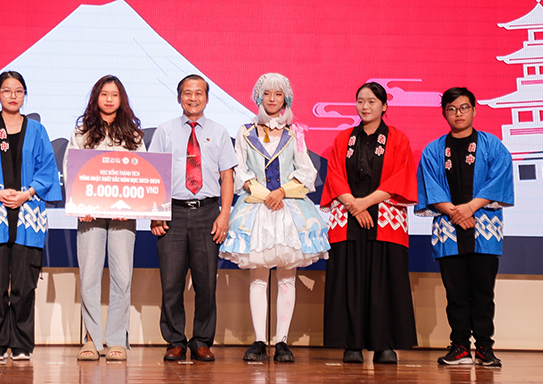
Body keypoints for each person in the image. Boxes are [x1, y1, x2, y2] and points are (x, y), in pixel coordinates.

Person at [219, 73, 329, 362]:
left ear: (286, 98)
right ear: (258, 97)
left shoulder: (295, 133)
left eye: (277, 94)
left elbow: (307, 171)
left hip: (288, 208)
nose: (272, 99)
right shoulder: (244, 132)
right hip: (256, 208)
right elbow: (238, 168)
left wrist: (281, 191)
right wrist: (259, 191)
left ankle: (281, 341)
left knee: (286, 278)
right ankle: (258, 341)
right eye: (267, 93)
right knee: (257, 277)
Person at [0, 71, 62, 360]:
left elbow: (47, 170)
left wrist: (26, 193)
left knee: (24, 285)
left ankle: (20, 345)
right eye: (7, 91)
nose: (13, 96)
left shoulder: (37, 130)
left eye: (18, 91)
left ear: (25, 95)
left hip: (28, 215)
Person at [320, 82, 418, 364]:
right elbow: (335, 174)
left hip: (385, 218)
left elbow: (400, 177)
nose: (365, 106)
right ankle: (351, 343)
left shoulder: (398, 139)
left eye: (372, 101)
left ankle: (384, 344)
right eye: (360, 101)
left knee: (384, 281)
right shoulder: (342, 139)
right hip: (349, 217)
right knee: (349, 280)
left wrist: (365, 203)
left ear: (384, 106)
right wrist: (354, 204)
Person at [415, 87, 513, 367]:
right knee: (455, 293)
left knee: (483, 292)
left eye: (464, 107)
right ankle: (459, 347)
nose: (458, 113)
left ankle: (484, 348)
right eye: (452, 109)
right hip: (448, 229)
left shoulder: (492, 145)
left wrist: (469, 208)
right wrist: (456, 213)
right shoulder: (434, 150)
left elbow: (500, 179)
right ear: (444, 112)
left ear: (474, 109)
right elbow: (430, 187)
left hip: (484, 229)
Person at [149, 74, 238, 362]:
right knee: (171, 282)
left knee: (206, 283)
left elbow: (227, 176)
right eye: (187, 93)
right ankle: (175, 340)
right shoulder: (164, 131)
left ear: (207, 98)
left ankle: (201, 341)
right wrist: (155, 213)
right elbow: (155, 174)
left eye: (199, 92)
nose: (193, 97)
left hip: (208, 212)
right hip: (172, 212)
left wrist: (225, 214)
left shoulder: (220, 132)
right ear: (179, 98)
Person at [63, 75, 145, 361]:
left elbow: (143, 173)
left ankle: (117, 339)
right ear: (95, 97)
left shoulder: (133, 135)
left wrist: (135, 205)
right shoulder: (82, 132)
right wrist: (78, 202)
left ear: (121, 99)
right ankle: (91, 338)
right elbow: (70, 167)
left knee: (122, 276)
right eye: (104, 94)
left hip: (124, 215)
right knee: (89, 276)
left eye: (114, 94)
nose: (109, 99)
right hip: (89, 215)